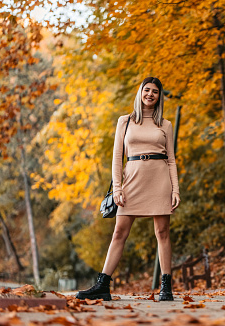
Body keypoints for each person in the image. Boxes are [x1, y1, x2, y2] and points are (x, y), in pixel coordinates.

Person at [76, 77, 180, 302]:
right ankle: (103, 285)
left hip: (160, 179)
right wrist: (117, 188)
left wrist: (176, 190)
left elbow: (171, 160)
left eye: (155, 91)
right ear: (140, 92)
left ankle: (166, 287)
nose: (150, 94)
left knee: (162, 233)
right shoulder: (125, 121)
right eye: (147, 90)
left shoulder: (166, 124)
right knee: (119, 232)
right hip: (132, 179)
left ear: (159, 96)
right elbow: (116, 157)